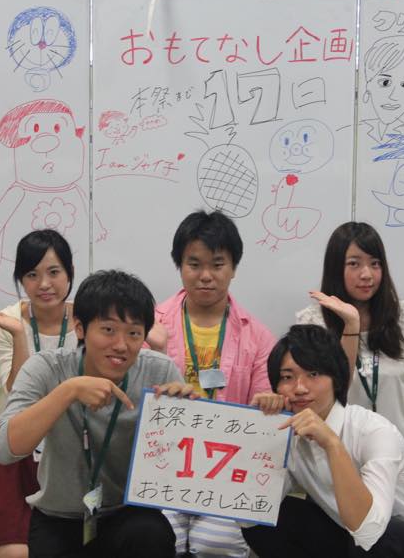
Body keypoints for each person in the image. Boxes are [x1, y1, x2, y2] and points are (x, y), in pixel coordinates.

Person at [0, 269, 189, 558]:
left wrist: (186, 415)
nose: (121, 345)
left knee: (151, 533)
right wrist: (68, 391)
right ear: (80, 328)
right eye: (108, 330)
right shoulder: (46, 368)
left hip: (127, 513)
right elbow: (4, 449)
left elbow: (182, 461)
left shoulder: (159, 371)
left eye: (134, 333)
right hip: (59, 516)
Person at [242, 324, 404, 557]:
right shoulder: (289, 432)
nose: (299, 388)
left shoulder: (374, 431)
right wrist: (260, 431)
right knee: (269, 517)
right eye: (287, 377)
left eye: (313, 374)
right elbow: (249, 513)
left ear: (337, 379)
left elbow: (370, 531)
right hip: (350, 534)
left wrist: (332, 444)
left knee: (378, 536)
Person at [147, 209, 279, 557]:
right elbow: (135, 399)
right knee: (161, 538)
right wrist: (156, 357)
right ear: (179, 266)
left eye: (217, 265)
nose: (206, 276)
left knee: (215, 542)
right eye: (194, 264)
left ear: (233, 268)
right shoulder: (150, 326)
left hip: (228, 470)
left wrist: (268, 404)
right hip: (163, 465)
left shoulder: (258, 337)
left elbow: (262, 412)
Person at [0, 230, 78, 558]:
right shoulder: (4, 322)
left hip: (65, 450)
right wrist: (20, 336)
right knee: (14, 552)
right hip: (7, 448)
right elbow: (16, 394)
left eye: (54, 272)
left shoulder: (88, 320)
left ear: (70, 273)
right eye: (32, 275)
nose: (44, 284)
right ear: (21, 279)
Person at [296, 222, 404, 475]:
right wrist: (351, 326)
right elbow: (325, 393)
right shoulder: (313, 323)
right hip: (343, 461)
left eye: (375, 263)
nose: (367, 274)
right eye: (354, 264)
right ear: (335, 268)